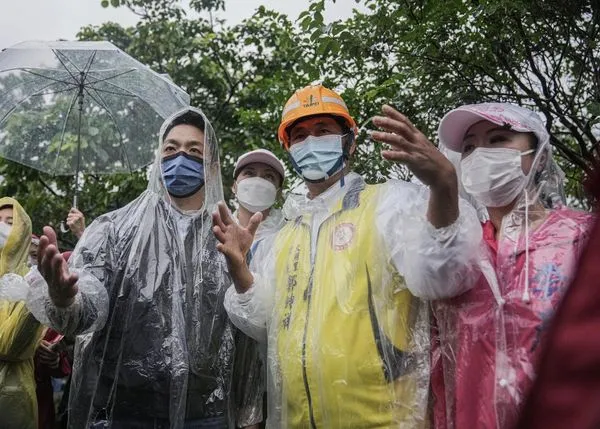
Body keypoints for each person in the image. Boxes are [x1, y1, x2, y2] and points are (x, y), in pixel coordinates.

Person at [213, 83, 482, 428]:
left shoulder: (390, 204)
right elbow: (264, 323)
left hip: (383, 421)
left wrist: (443, 187)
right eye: (300, 136)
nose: (311, 142)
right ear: (290, 150)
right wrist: (240, 272)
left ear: (349, 142)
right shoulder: (284, 236)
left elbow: (445, 275)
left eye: (323, 131)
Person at [27, 108, 262, 429]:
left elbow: (247, 335)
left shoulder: (229, 237)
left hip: (207, 416)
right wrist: (64, 298)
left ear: (213, 165)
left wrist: (249, 415)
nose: (181, 157)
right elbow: (85, 313)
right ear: (158, 158)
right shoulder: (114, 229)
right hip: (124, 412)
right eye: (171, 148)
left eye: (194, 151)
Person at [430, 102, 595, 429]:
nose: (480, 155)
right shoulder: (457, 258)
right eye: (469, 148)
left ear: (539, 156)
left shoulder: (583, 239)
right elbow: (439, 371)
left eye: (497, 139)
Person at [0, 198, 45, 429]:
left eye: (10, 222)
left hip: (13, 397)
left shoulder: (35, 280)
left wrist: (39, 289)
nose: (1, 227)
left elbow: (10, 347)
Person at [34, 328, 71, 429]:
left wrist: (55, 359)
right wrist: (31, 343)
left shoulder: (48, 321)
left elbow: (63, 367)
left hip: (38, 398)